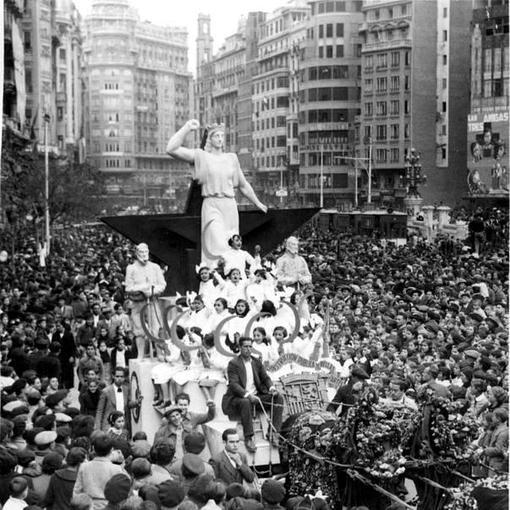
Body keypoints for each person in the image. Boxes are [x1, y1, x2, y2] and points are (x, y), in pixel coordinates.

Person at [166, 119, 268, 266]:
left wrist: (258, 203)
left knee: (231, 245)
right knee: (216, 244)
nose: (220, 139)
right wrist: (187, 128)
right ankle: (213, 278)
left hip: (230, 206)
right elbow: (171, 149)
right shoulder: (201, 156)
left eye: (222, 136)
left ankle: (232, 280)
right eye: (216, 136)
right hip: (212, 205)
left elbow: (243, 185)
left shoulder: (231, 158)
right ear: (210, 138)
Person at [222, 336, 284, 453]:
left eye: (250, 346)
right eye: (245, 346)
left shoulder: (256, 362)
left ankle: (274, 433)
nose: (248, 349)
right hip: (238, 399)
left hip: (256, 397)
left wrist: (271, 387)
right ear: (240, 348)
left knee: (278, 398)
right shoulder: (233, 363)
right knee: (245, 402)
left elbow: (265, 378)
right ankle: (249, 437)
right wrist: (247, 395)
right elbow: (233, 385)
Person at [124, 242, 166, 359]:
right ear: (137, 253)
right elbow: (128, 287)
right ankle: (140, 354)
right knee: (139, 330)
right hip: (137, 302)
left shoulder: (155, 267)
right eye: (141, 252)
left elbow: (162, 284)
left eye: (146, 252)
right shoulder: (131, 268)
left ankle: (159, 353)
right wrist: (142, 288)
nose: (144, 254)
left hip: (152, 300)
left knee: (155, 329)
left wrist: (153, 290)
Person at [72, 435, 126, 510]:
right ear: (111, 450)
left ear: (93, 448)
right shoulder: (117, 469)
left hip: (88, 506)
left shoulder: (84, 467)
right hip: (109, 506)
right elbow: (123, 492)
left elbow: (76, 491)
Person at [94, 367, 141, 434]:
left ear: (124, 377)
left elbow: (128, 404)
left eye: (121, 376)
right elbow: (99, 411)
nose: (119, 378)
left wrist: (137, 402)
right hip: (108, 425)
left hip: (123, 425)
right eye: (117, 376)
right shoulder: (106, 391)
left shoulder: (126, 389)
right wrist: (97, 429)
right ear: (113, 376)